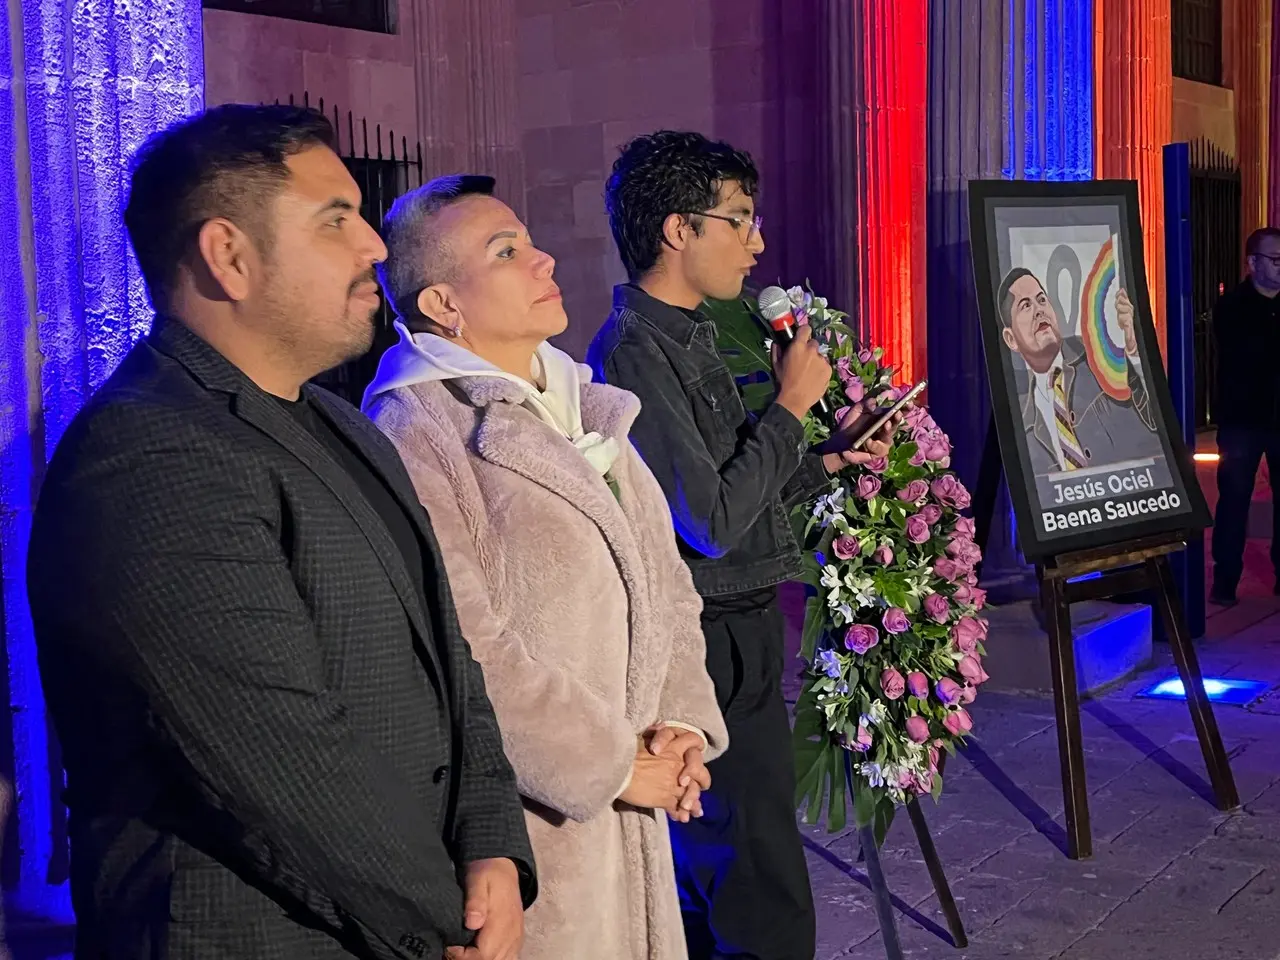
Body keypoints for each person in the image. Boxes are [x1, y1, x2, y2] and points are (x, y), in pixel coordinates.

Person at [26, 105, 534, 960]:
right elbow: (289, 770)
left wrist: (493, 840)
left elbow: (450, 660)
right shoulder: (150, 453)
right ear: (228, 255)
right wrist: (448, 921)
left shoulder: (341, 424)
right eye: (336, 220)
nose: (376, 245)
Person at [362, 173, 729, 960]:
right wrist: (609, 767)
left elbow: (665, 583)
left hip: (634, 807)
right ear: (443, 305)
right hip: (534, 830)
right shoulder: (414, 430)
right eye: (507, 250)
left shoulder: (582, 403)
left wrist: (681, 729)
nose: (544, 259)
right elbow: (467, 646)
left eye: (529, 240)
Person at [587, 131, 894, 960]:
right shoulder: (633, 349)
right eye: (739, 220)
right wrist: (792, 408)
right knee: (758, 883)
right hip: (709, 635)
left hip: (744, 626)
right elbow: (709, 523)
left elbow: (737, 491)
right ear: (677, 230)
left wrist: (825, 454)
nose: (756, 244)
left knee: (739, 866)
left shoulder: (687, 334)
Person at [996, 266, 1157, 478]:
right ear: (1010, 339)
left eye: (1042, 299)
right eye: (1026, 306)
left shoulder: (1099, 355)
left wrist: (1134, 353)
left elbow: (1156, 421)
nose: (1039, 310)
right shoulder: (1024, 421)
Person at [1209, 226, 1280, 605]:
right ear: (1253, 263)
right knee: (1234, 499)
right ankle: (1225, 580)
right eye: (1275, 259)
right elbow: (1245, 357)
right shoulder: (1233, 306)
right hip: (1242, 419)